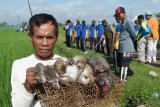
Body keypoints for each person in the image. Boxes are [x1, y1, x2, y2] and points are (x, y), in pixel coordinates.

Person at [11, 13, 67, 107]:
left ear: (56, 38)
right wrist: (28, 87)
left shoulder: (66, 63)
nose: (45, 43)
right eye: (39, 37)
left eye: (49, 37)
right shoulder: (19, 65)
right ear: (30, 37)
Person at [114, 7, 136, 81]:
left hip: (126, 47)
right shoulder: (122, 22)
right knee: (122, 63)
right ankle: (122, 77)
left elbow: (133, 34)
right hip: (122, 46)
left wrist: (128, 41)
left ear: (123, 13)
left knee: (124, 64)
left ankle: (123, 79)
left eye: (118, 14)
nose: (117, 16)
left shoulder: (128, 22)